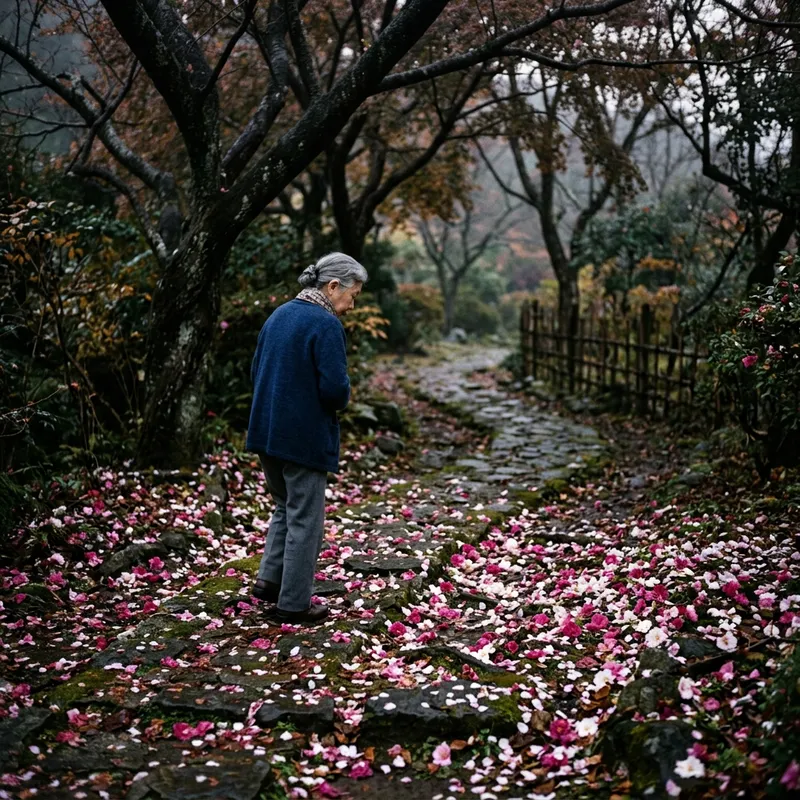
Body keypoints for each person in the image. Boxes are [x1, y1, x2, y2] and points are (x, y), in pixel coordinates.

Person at [245, 252, 366, 624]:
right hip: (303, 437)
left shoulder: (278, 315)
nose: (351, 305)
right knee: (305, 518)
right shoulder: (325, 325)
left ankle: (270, 580)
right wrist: (344, 391)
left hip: (266, 431)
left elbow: (254, 371)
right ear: (332, 286)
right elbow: (334, 391)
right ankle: (294, 604)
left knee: (285, 505)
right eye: (352, 295)